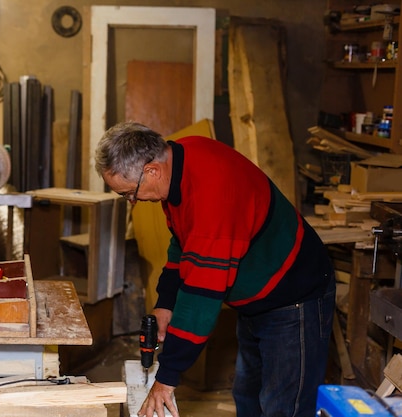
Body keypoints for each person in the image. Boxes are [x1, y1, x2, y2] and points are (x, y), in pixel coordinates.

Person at [94, 121, 336, 417]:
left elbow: (201, 299)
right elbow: (182, 243)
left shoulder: (212, 196)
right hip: (257, 297)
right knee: (248, 397)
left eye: (129, 193)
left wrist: (166, 378)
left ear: (152, 171)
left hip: (293, 295)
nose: (133, 201)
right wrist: (166, 305)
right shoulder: (182, 159)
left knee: (283, 407)